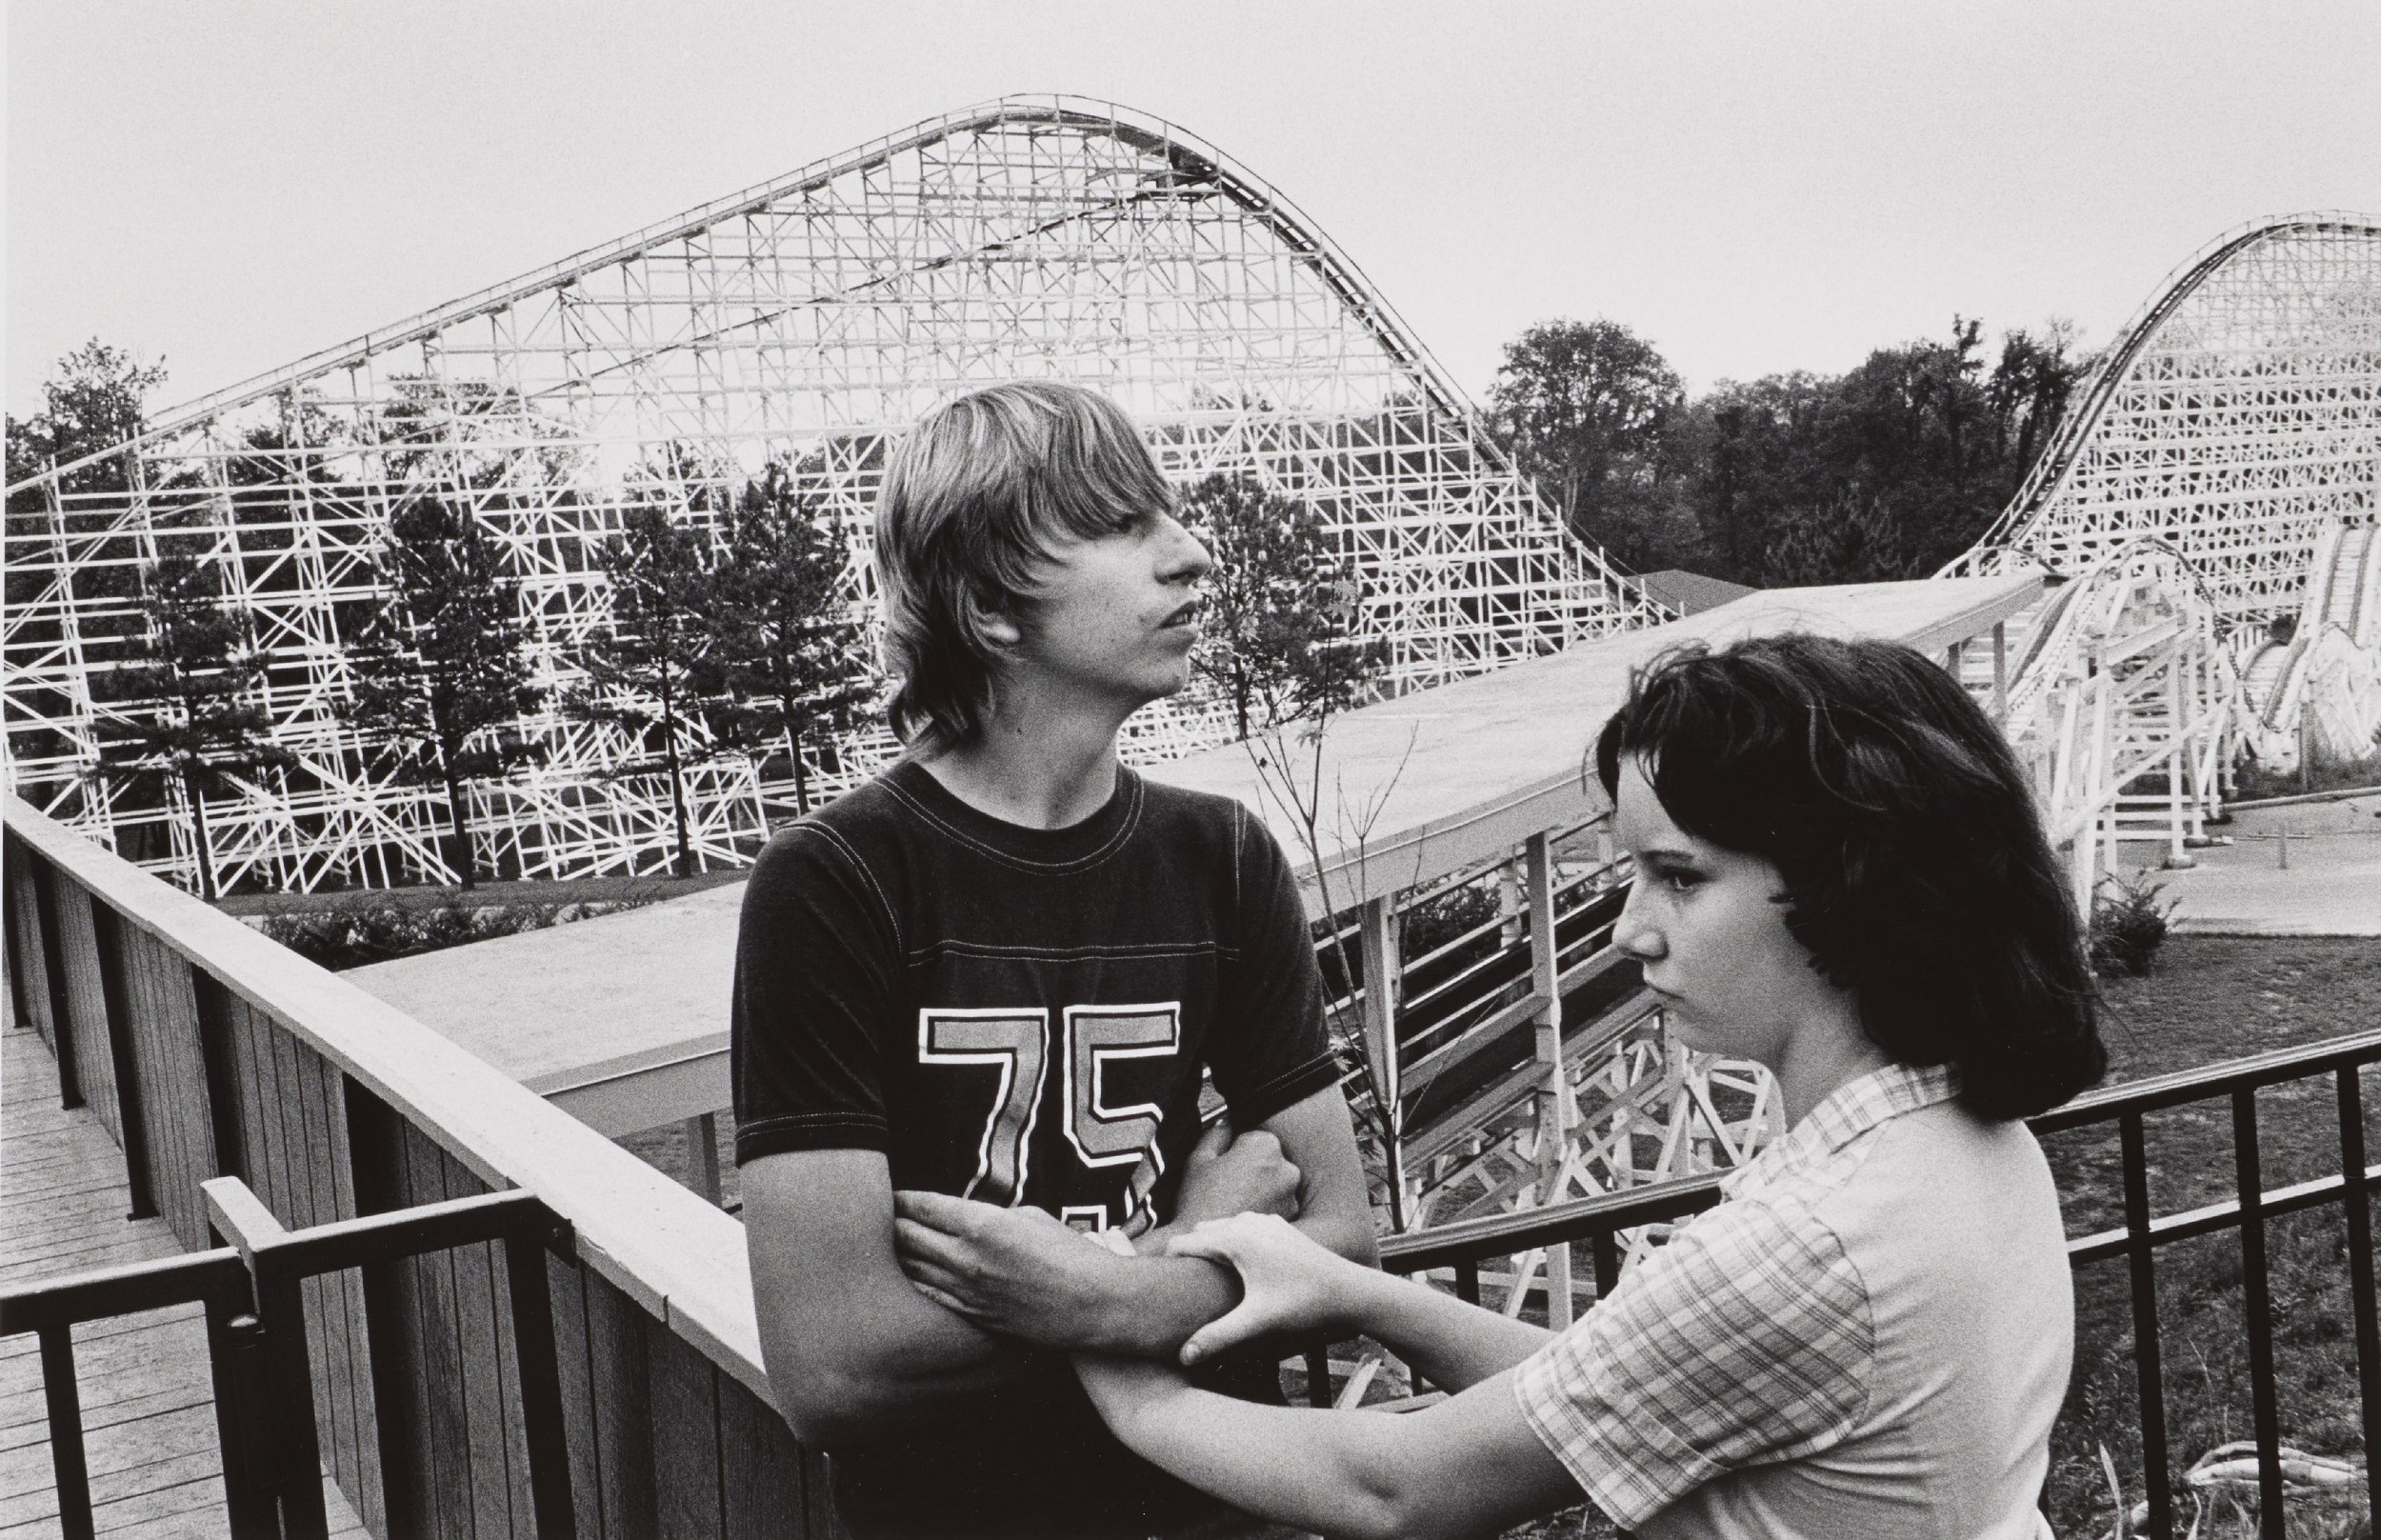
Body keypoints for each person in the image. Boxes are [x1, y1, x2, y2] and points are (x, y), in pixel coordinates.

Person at [1064, 633, 2108, 1540]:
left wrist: (1113, 1356)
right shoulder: (1957, 1139)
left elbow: (1395, 1491)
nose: (1627, 930)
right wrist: (1354, 1291)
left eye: (1682, 877)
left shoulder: (1818, 1238)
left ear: (1852, 886)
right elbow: (1612, 1384)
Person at [733, 380, 1378, 1540]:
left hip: (1229, 1505)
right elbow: (834, 1366)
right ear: (988, 608)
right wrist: (1179, 1261)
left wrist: (1105, 1292)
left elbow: (1340, 1235)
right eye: (1124, 524)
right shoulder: (837, 880)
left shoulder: (1221, 854)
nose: (1191, 556)